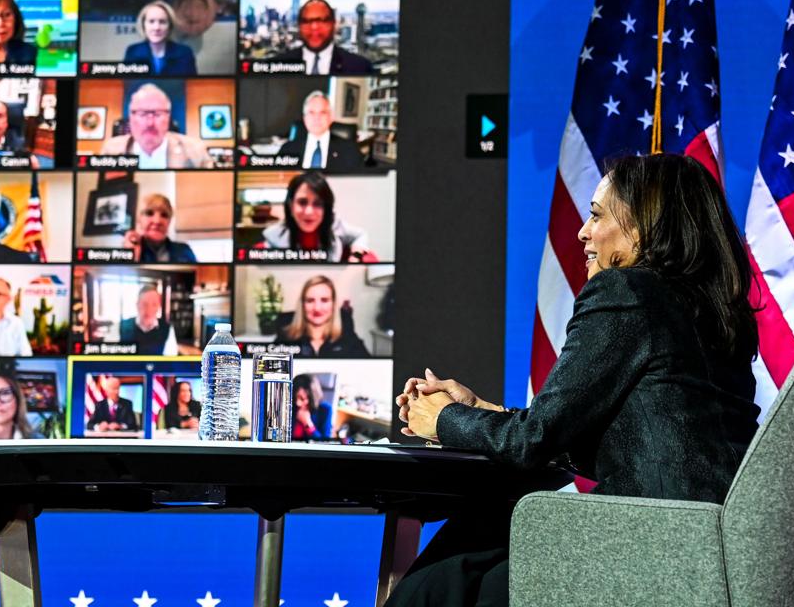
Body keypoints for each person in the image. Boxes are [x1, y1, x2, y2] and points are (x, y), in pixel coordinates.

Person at [390, 154, 761, 607]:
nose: (583, 232)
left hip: (647, 550)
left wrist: (445, 419)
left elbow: (532, 443)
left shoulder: (628, 291)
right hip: (714, 549)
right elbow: (652, 445)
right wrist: (484, 413)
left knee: (459, 559)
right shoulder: (718, 313)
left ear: (644, 227)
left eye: (597, 215)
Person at [261, 171, 371, 262]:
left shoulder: (336, 226)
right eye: (302, 202)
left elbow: (360, 235)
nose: (309, 212)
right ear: (291, 206)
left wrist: (356, 256)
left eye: (317, 204)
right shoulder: (274, 237)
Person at [100, 83, 214, 169]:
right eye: (142, 113)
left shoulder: (196, 150)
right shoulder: (110, 150)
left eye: (158, 114)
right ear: (131, 117)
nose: (150, 123)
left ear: (168, 117)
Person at [271, 0, 373, 75]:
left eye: (322, 20)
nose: (314, 27)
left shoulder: (360, 67)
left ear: (333, 24)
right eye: (306, 21)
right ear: (299, 26)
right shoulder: (276, 65)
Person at [276, 275, 370, 358]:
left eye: (324, 300)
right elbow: (268, 374)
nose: (317, 308)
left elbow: (369, 371)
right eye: (310, 300)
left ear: (333, 304)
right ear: (302, 305)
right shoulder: (285, 337)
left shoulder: (347, 335)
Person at [279, 91, 364, 171]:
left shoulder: (350, 150)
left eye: (323, 112)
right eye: (311, 112)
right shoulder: (287, 149)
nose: (317, 118)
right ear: (304, 118)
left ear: (331, 118)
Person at [123, 1, 198, 76]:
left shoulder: (185, 53)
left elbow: (193, 85)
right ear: (143, 25)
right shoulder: (132, 51)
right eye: (151, 21)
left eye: (162, 22)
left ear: (170, 26)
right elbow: (128, 84)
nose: (156, 28)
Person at [122, 193, 197, 262]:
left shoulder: (185, 250)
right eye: (149, 213)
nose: (157, 221)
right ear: (139, 219)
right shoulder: (128, 249)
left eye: (164, 215)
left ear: (169, 221)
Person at [118, 286, 179, 355]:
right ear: (137, 305)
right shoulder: (121, 326)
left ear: (159, 307)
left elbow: (170, 360)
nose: (149, 309)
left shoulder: (167, 329)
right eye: (144, 304)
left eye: (154, 304)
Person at [291, 374, 332, 440]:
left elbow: (325, 442)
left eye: (302, 398)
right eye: (295, 398)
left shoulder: (325, 409)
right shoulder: (291, 407)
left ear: (312, 396)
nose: (298, 403)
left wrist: (307, 423)